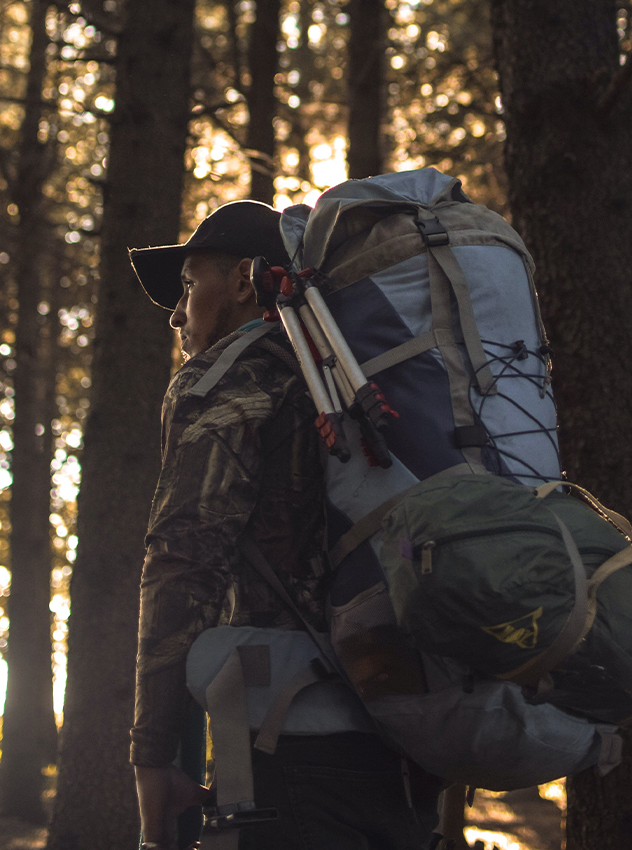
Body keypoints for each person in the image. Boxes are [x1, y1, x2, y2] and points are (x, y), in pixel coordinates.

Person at [128, 200, 440, 850]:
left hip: (289, 746)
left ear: (244, 282)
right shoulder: (358, 389)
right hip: (410, 745)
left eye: (188, 285)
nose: (177, 313)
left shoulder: (225, 383)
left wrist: (152, 754)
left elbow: (183, 560)